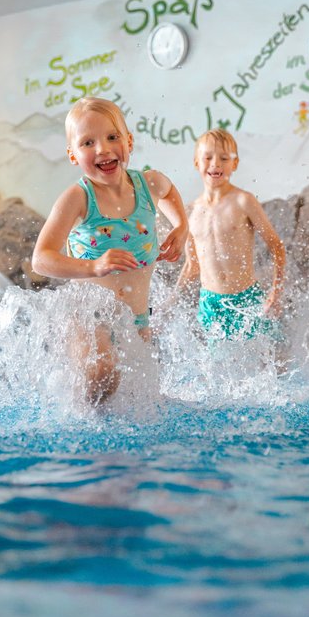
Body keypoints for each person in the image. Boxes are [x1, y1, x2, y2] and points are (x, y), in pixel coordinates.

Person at [32, 96, 188, 403]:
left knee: (130, 398)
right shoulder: (77, 199)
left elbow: (169, 191)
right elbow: (41, 259)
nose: (102, 149)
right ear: (73, 155)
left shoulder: (149, 185)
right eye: (87, 143)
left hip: (137, 321)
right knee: (101, 371)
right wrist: (93, 267)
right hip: (86, 317)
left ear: (129, 141)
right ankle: (82, 440)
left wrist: (182, 227)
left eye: (112, 137)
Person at [177, 129, 285, 341]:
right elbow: (192, 266)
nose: (215, 164)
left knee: (264, 359)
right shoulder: (191, 212)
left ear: (234, 164)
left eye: (224, 158)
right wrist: (169, 301)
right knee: (216, 364)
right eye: (207, 157)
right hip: (210, 303)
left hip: (246, 298)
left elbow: (276, 246)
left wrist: (276, 294)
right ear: (196, 162)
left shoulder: (243, 201)